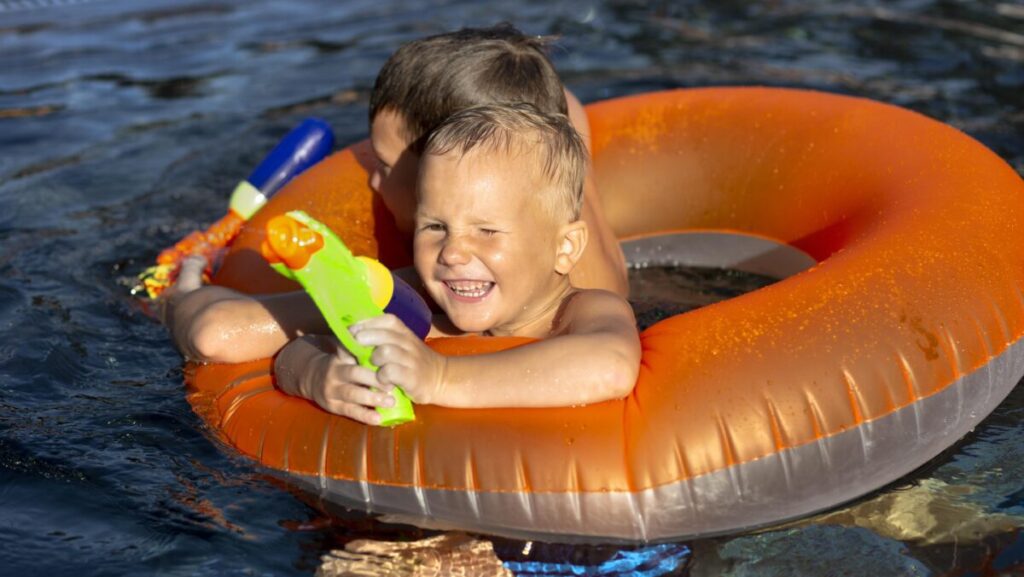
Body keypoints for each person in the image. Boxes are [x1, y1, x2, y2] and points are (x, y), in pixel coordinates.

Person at [161, 24, 627, 364]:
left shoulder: (425, 293)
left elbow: (215, 335)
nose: (372, 181)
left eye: (386, 166)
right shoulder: (563, 146)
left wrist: (182, 294)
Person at [273, 104, 640, 424]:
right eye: (435, 226)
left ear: (565, 247)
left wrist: (441, 378)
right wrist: (317, 375)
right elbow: (298, 349)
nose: (452, 252)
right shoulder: (432, 327)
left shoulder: (583, 312)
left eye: (486, 230)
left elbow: (612, 365)